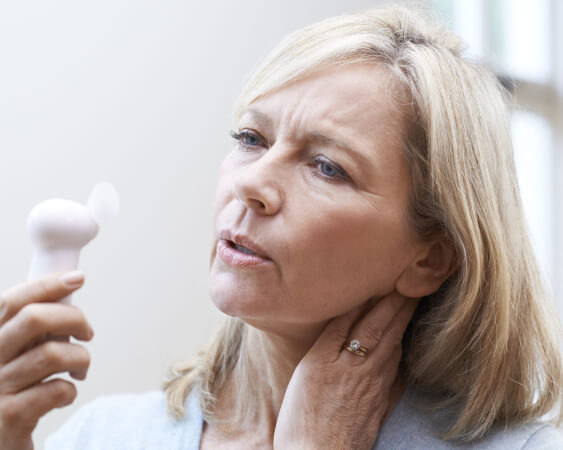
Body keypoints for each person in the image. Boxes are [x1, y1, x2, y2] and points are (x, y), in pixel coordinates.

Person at [1, 5, 562, 449]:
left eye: (327, 167)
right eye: (251, 139)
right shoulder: (102, 438)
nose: (252, 185)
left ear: (429, 259)